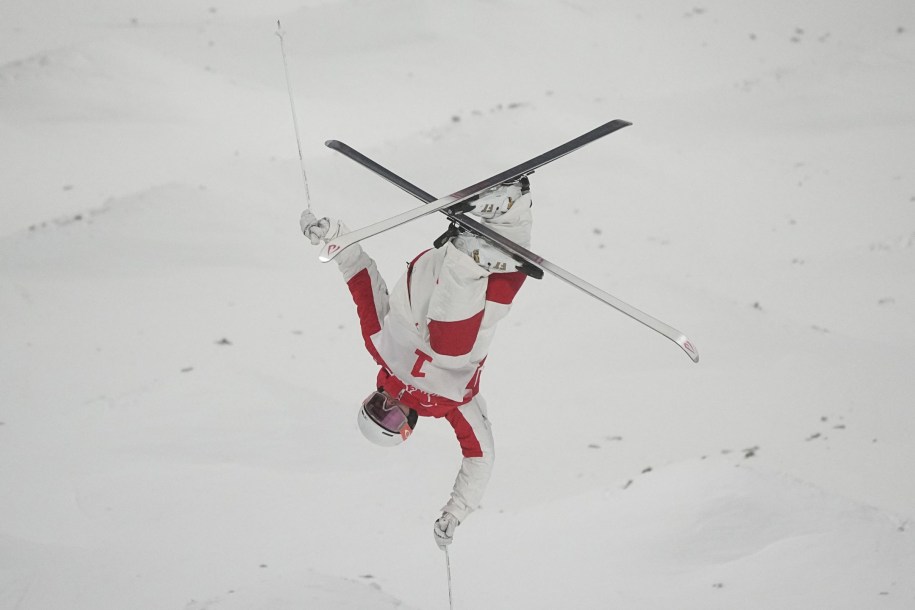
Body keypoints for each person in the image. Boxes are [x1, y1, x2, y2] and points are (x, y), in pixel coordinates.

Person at [300, 178, 533, 551]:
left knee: (445, 342)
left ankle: (469, 251)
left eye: (378, 408)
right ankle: (511, 209)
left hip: (441, 270)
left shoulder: (379, 344)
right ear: (407, 427)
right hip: (493, 278)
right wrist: (455, 512)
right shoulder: (449, 403)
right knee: (456, 349)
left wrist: (332, 237)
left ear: (372, 396)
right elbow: (480, 456)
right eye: (390, 419)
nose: (390, 406)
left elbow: (359, 274)